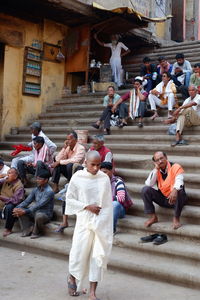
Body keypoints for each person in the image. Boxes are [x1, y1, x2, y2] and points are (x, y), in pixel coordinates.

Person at [65, 150, 113, 299]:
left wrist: (101, 221)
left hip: (100, 222)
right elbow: (70, 199)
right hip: (84, 222)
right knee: (78, 254)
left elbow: (107, 204)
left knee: (96, 257)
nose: (96, 168)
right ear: (85, 162)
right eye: (93, 165)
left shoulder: (104, 178)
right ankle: (72, 277)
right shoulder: (77, 177)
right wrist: (87, 206)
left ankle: (92, 292)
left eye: (98, 165)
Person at [141, 151, 187, 230]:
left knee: (180, 190)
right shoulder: (156, 170)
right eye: (157, 160)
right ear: (155, 162)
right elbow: (148, 184)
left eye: (161, 158)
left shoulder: (175, 166)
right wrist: (155, 169)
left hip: (177, 199)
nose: (160, 161)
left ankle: (176, 219)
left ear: (166, 158)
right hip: (164, 199)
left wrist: (175, 190)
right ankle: (153, 217)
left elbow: (180, 180)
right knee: (145, 190)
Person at [13, 169, 54, 239]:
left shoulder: (49, 191)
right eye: (37, 179)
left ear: (46, 180)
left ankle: (36, 232)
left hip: (45, 213)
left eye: (39, 179)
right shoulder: (36, 189)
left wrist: (25, 211)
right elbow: (27, 201)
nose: (37, 181)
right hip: (35, 211)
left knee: (39, 216)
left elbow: (39, 205)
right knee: (19, 210)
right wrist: (17, 207)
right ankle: (28, 228)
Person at [100, 161, 133, 233]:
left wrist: (106, 199)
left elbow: (121, 198)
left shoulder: (118, 182)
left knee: (115, 204)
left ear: (111, 171)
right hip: (103, 208)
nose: (103, 175)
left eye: (105, 172)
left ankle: (111, 229)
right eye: (101, 172)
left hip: (119, 210)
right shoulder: (99, 182)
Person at [0, 168, 24, 237]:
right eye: (7, 173)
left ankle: (8, 228)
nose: (7, 175)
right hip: (1, 206)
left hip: (10, 209)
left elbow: (15, 201)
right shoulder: (5, 181)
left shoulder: (19, 186)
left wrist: (1, 197)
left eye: (9, 173)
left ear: (15, 176)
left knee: (10, 206)